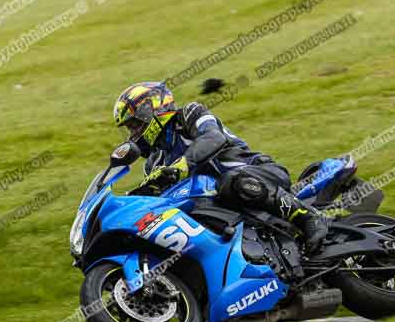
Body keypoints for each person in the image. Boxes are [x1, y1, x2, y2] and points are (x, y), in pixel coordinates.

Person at [112, 81, 328, 254]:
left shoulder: (189, 115)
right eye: (130, 128)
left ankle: (307, 217)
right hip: (220, 206)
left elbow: (213, 137)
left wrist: (183, 165)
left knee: (231, 181)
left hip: (257, 173)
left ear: (153, 109)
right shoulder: (154, 162)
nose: (133, 133)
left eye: (135, 124)